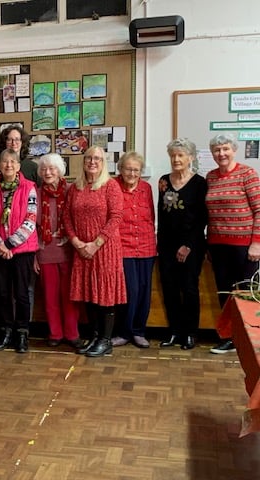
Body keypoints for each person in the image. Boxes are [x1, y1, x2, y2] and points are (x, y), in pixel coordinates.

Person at [63, 145, 126, 357]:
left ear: (103, 163)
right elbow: (66, 218)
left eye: (97, 158)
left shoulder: (111, 186)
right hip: (81, 250)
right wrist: (76, 242)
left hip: (105, 250)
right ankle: (95, 336)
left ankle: (105, 340)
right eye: (89, 158)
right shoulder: (74, 188)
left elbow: (116, 217)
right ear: (83, 161)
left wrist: (95, 244)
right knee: (89, 293)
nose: (92, 162)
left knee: (104, 295)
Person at [206, 133, 260, 354]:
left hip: (244, 247)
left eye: (225, 149)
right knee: (226, 294)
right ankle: (229, 337)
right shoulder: (210, 177)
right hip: (218, 246)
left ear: (233, 150)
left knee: (246, 293)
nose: (221, 154)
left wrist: (256, 243)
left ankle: (250, 338)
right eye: (217, 150)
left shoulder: (248, 174)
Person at [0, 149, 38, 353]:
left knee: (22, 293)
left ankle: (22, 332)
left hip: (22, 250)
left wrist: (10, 244)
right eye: (4, 162)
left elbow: (31, 220)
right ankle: (6, 330)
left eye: (12, 162)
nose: (8, 165)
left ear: (18, 166)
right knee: (3, 292)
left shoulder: (29, 188)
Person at [157, 138, 207, 350]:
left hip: (192, 244)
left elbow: (202, 218)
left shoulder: (199, 183)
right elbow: (161, 213)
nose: (176, 159)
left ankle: (190, 333)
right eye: (173, 155)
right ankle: (174, 331)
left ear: (191, 158)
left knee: (189, 289)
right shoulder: (164, 181)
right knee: (169, 289)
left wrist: (187, 245)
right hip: (167, 245)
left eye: (180, 155)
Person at [33, 153, 82, 349]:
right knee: (50, 295)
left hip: (69, 249)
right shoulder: (35, 193)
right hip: (44, 249)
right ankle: (55, 333)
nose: (47, 172)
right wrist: (34, 255)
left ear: (60, 170)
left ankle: (72, 334)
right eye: (44, 169)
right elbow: (31, 225)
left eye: (52, 168)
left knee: (69, 295)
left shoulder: (71, 190)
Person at [111, 151, 156, 349]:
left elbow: (151, 216)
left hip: (146, 246)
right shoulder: (112, 186)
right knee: (130, 290)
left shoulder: (146, 188)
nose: (132, 173)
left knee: (145, 291)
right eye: (128, 169)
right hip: (123, 247)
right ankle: (124, 332)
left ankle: (139, 332)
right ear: (120, 169)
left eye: (136, 170)